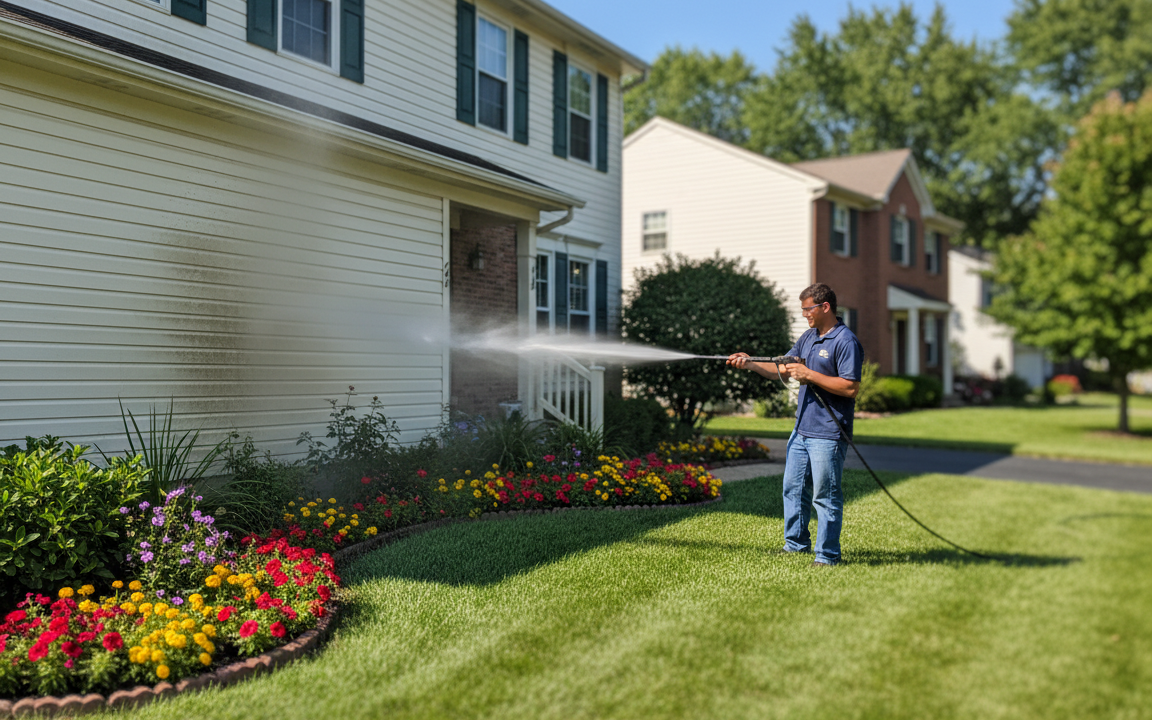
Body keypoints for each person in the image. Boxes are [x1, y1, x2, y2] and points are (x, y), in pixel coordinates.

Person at [727, 283, 863, 567]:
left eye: (808, 309)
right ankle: (796, 544)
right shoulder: (808, 337)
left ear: (825, 307)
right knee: (792, 488)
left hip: (827, 432)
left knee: (825, 496)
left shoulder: (845, 341)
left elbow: (850, 388)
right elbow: (783, 368)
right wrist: (750, 363)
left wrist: (809, 374)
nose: (804, 315)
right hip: (801, 430)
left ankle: (827, 556)